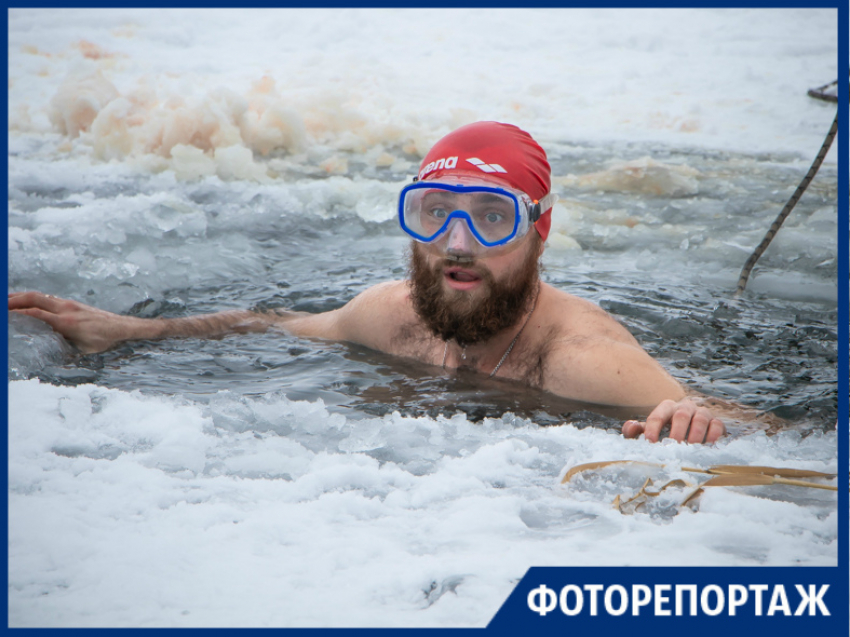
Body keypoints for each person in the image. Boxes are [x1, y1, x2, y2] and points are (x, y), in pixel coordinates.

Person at [11, 121, 736, 443]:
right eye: (435, 214)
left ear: (539, 231)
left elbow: (761, 431)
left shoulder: (580, 359)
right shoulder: (392, 316)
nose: (458, 244)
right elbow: (275, 322)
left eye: (492, 218)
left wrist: (697, 416)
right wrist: (136, 329)